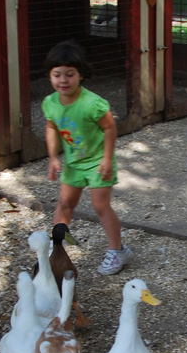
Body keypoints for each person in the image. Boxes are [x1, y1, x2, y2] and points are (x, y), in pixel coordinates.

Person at [42, 41, 131, 275]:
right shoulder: (50, 103)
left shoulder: (93, 104)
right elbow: (51, 127)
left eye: (69, 74)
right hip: (73, 163)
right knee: (64, 203)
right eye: (57, 74)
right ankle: (56, 247)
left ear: (80, 75)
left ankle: (117, 251)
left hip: (97, 161)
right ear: (50, 76)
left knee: (100, 205)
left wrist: (107, 159)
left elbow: (110, 128)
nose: (63, 80)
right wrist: (52, 156)